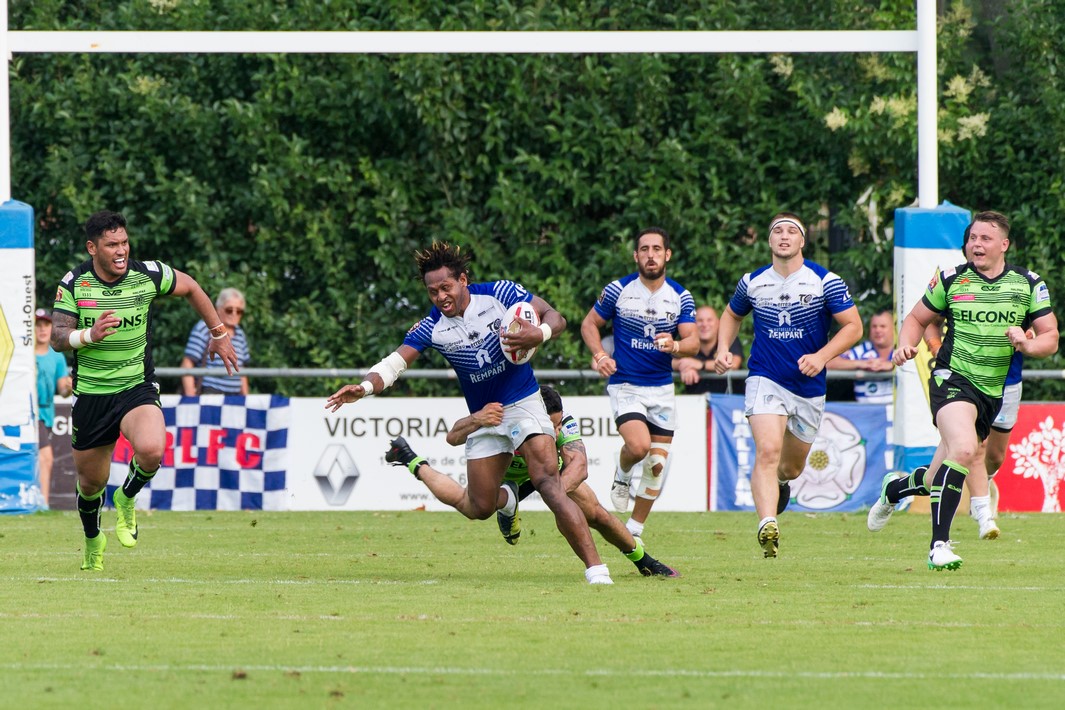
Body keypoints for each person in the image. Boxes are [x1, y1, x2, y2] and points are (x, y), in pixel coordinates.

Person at [325, 241, 611, 585]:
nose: (440, 297)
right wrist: (364, 388)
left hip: (523, 402)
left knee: (549, 484)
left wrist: (540, 333)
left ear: (463, 279)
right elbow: (394, 363)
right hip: (484, 417)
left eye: (446, 287)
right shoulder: (432, 326)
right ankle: (503, 500)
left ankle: (596, 571)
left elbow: (556, 318)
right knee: (479, 507)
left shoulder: (500, 294)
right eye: (433, 292)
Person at [867, 211, 1057, 571]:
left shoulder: (1028, 283)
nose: (976, 244)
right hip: (951, 378)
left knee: (936, 476)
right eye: (972, 238)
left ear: (1004, 245)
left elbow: (1050, 337)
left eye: (985, 238)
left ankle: (895, 490)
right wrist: (906, 344)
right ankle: (939, 545)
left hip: (991, 391)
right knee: (967, 449)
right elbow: (917, 319)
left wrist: (1027, 344)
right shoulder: (951, 279)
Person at [50, 210, 239, 571]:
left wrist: (218, 333)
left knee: (152, 449)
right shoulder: (75, 283)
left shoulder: (148, 274)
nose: (121, 250)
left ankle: (127, 497)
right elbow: (58, 337)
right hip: (92, 394)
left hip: (136, 386)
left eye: (124, 242)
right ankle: (93, 538)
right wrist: (89, 335)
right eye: (111, 245)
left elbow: (192, 287)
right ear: (92, 248)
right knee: (91, 484)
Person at [385, 385, 679, 577]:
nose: (556, 431)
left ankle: (645, 562)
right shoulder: (503, 416)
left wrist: (554, 493)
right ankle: (411, 459)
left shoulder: (562, 422)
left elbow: (579, 466)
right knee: (471, 505)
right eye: (551, 426)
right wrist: (478, 419)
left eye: (558, 425)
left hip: (549, 476)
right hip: (504, 480)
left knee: (596, 514)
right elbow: (452, 437)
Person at [714, 212, 863, 558]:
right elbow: (732, 314)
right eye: (777, 231)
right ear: (769, 241)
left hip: (808, 387)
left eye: (791, 231)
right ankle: (768, 523)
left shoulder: (824, 281)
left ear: (802, 241)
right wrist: (723, 348)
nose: (784, 236)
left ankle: (781, 483)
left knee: (791, 467)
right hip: (765, 377)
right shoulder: (752, 282)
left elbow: (854, 326)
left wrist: (821, 356)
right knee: (767, 450)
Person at [580, 227, 699, 541]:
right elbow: (589, 323)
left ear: (667, 255)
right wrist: (600, 354)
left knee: (657, 464)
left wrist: (675, 345)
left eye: (657, 249)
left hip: (662, 388)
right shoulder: (619, 290)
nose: (650, 255)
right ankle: (622, 474)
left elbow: (693, 342)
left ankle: (634, 529)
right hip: (627, 385)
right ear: (636, 256)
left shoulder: (680, 296)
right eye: (644, 249)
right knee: (639, 446)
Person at [181, 287, 251, 395]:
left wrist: (246, 398)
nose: (234, 314)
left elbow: (242, 369)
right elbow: (188, 363)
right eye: (229, 310)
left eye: (239, 311)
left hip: (235, 397)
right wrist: (191, 397)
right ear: (218, 309)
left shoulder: (240, 333)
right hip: (210, 393)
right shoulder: (204, 328)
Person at [34, 308, 72, 507]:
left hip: (47, 415)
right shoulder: (21, 355)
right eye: (37, 325)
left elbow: (62, 391)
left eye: (46, 324)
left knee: (37, 459)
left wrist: (69, 387)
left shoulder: (57, 357)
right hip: (29, 415)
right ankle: (43, 504)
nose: (42, 329)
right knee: (46, 457)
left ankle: (36, 503)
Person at [825, 309, 895, 404]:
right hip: (865, 410)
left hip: (897, 410)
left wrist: (893, 366)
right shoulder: (861, 351)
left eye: (883, 326)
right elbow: (828, 362)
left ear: (893, 328)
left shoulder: (901, 350)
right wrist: (862, 364)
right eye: (874, 326)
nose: (878, 330)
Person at [672, 305, 744, 395]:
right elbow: (668, 361)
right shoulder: (688, 343)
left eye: (709, 320)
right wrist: (683, 366)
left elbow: (734, 363)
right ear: (693, 325)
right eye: (700, 320)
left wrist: (701, 365)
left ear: (718, 323)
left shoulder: (728, 340)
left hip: (729, 401)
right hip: (696, 401)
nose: (705, 325)